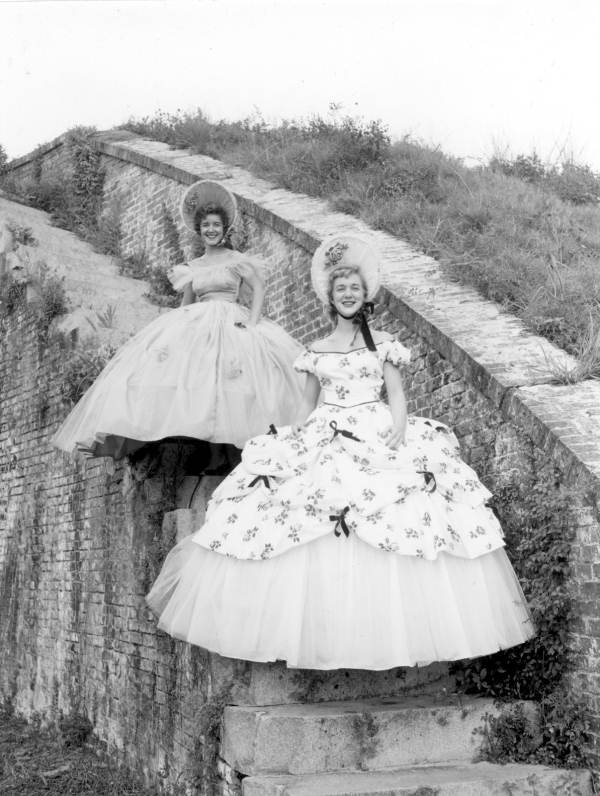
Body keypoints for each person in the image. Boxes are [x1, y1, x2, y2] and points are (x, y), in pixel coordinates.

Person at [146, 234, 534, 670]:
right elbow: (306, 404)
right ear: (330, 299)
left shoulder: (384, 343)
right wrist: (291, 439)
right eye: (340, 290)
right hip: (323, 429)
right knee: (298, 511)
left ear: (365, 295)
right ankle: (319, 628)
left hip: (375, 426)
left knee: (396, 514)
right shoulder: (315, 351)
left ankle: (384, 628)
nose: (347, 294)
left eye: (353, 288)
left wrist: (400, 431)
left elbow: (396, 394)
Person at [52, 180, 305, 462]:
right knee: (193, 381)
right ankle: (202, 448)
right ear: (199, 231)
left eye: (216, 225)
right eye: (206, 225)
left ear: (224, 229)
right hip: (200, 319)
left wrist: (254, 323)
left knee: (238, 382)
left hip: (232, 319)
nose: (211, 230)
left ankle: (236, 452)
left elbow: (258, 288)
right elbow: (186, 304)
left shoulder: (237, 260)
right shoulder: (191, 268)